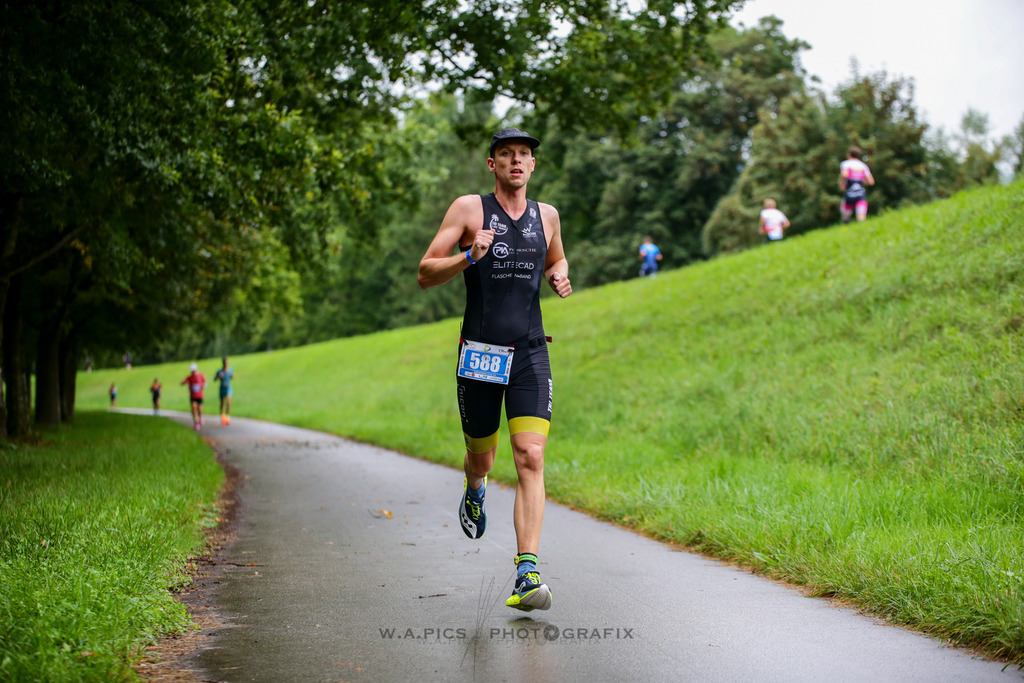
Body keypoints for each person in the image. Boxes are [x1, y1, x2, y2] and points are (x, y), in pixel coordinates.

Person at [417, 127, 572, 612]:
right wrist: (469, 255)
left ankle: (527, 571)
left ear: (532, 164)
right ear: (493, 164)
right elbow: (425, 272)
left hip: (529, 351)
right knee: (482, 458)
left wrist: (559, 272)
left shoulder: (546, 215)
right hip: (480, 353)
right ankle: (475, 488)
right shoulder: (468, 210)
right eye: (507, 155)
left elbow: (556, 256)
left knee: (530, 454)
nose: (517, 162)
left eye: (524, 154)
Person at [839, 146, 875, 223]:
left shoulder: (846, 164)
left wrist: (841, 183)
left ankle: (846, 231)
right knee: (861, 219)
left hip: (849, 193)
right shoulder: (863, 166)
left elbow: (844, 175)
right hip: (861, 194)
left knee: (845, 219)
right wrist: (861, 181)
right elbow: (871, 181)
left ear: (849, 154)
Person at [181, 363, 206, 431]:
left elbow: (205, 383)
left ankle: (200, 417)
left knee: (199, 408)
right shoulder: (189, 377)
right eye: (191, 371)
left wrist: (203, 385)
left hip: (199, 395)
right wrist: (184, 382)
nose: (192, 372)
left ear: (196, 369)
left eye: (193, 370)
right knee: (193, 408)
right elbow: (183, 382)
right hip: (193, 396)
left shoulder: (201, 375)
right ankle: (196, 423)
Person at [214, 357, 234, 425]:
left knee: (228, 401)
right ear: (223, 363)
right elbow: (214, 379)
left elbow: (232, 377)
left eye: (226, 362)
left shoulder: (230, 370)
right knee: (222, 403)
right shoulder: (219, 371)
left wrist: (232, 376)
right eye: (224, 362)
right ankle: (223, 417)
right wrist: (218, 377)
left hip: (228, 388)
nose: (225, 363)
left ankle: (228, 417)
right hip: (222, 388)